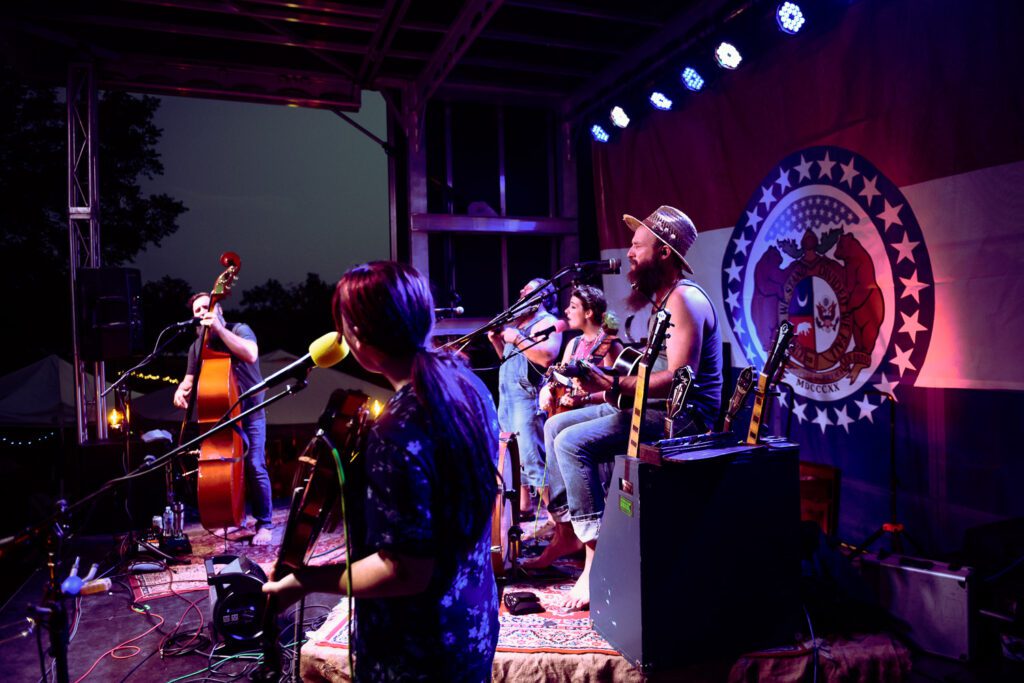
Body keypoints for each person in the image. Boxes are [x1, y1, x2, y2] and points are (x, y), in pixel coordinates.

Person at [262, 261, 499, 681]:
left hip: (417, 650)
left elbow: (404, 570)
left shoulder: (397, 426)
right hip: (472, 622)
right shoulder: (468, 386)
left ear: (357, 336)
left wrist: (304, 581)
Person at [526, 206, 723, 610]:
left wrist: (611, 383)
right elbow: (644, 383)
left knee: (570, 445)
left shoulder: (684, 300)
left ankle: (598, 560)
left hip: (684, 419)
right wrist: (595, 392)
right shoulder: (664, 302)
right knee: (555, 425)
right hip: (659, 407)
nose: (630, 253)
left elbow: (677, 380)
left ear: (664, 252)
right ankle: (568, 530)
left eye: (638, 245)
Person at [173, 292, 275, 545]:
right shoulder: (196, 347)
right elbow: (188, 380)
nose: (201, 313)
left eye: (206, 307)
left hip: (250, 410)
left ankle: (265, 524)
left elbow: (250, 354)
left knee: (254, 464)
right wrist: (180, 390)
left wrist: (219, 329)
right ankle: (229, 517)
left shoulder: (239, 329)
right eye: (196, 311)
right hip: (221, 415)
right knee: (223, 467)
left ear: (219, 310)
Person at [486, 278, 562, 519]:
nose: (520, 291)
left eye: (527, 290)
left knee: (531, 457)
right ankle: (525, 508)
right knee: (514, 457)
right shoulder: (518, 324)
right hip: (507, 395)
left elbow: (547, 356)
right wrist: (497, 341)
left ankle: (557, 520)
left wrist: (515, 337)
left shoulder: (547, 322)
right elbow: (508, 360)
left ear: (540, 297)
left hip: (525, 397)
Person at [539, 284, 623, 415]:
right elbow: (560, 379)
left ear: (588, 313)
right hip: (574, 410)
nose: (566, 311)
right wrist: (547, 390)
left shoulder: (610, 345)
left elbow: (615, 389)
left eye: (573, 307)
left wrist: (584, 399)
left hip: (600, 411)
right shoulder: (574, 343)